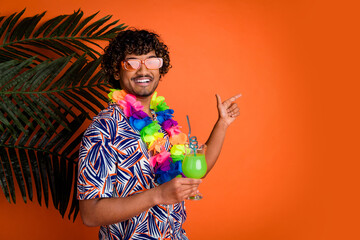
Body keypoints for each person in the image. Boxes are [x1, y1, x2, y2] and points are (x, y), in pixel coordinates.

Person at [77, 29, 240, 240]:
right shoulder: (103, 130)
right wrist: (158, 195)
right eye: (132, 63)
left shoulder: (162, 122)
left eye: (151, 62)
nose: (143, 70)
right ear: (117, 72)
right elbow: (90, 214)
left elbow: (192, 173)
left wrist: (223, 123)